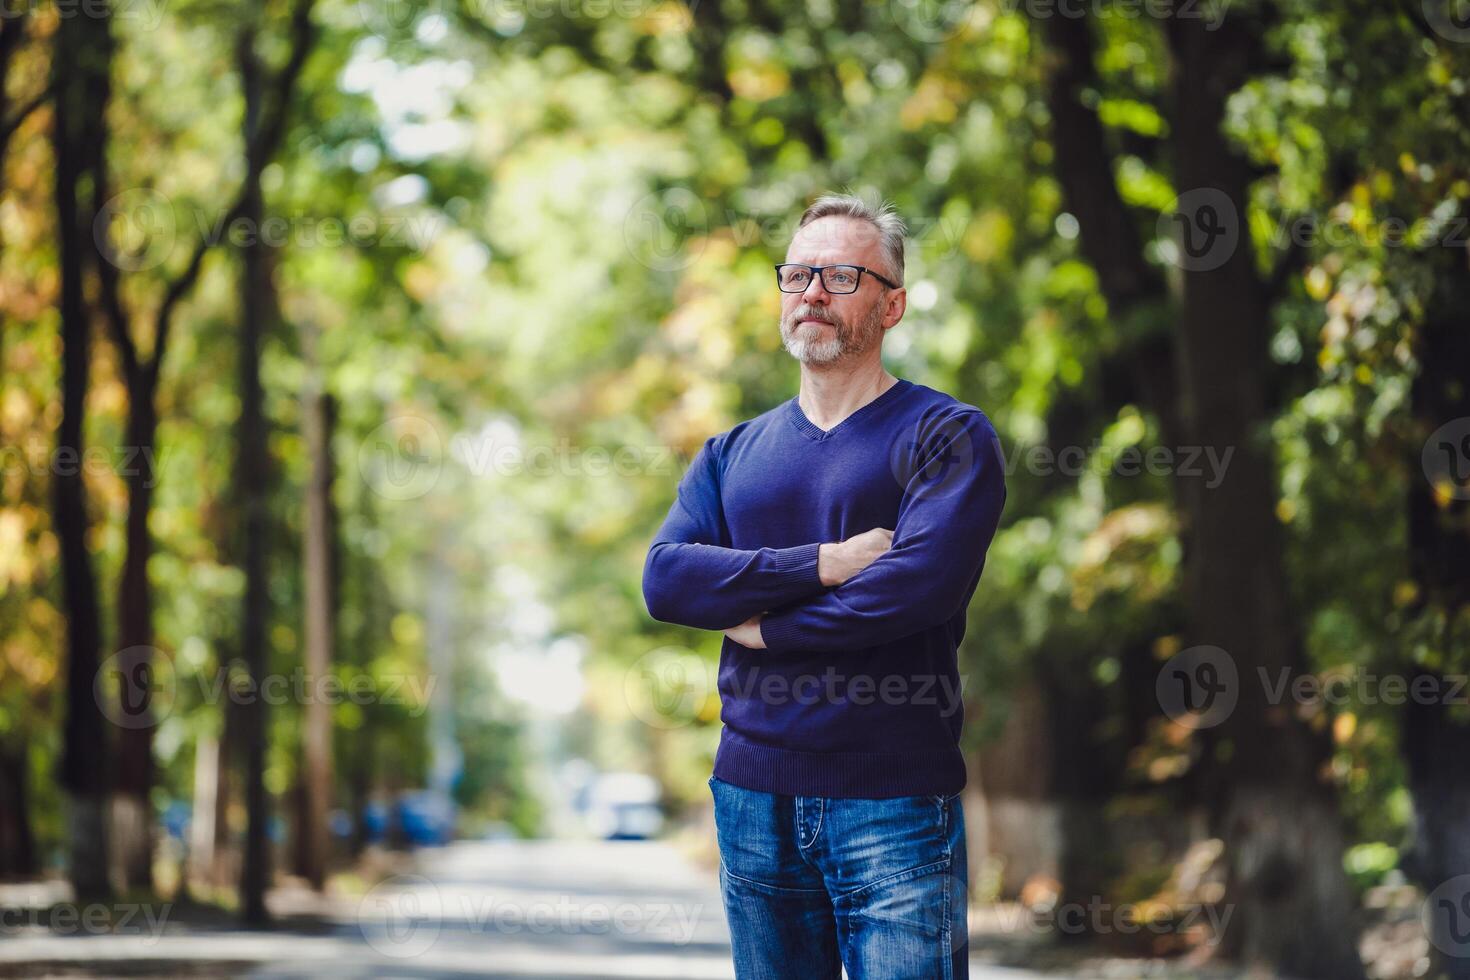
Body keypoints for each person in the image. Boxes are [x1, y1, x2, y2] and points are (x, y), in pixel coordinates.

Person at [642, 191, 1007, 979]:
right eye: (798, 274)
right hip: (751, 800)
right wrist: (820, 563)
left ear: (893, 305)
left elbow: (918, 589)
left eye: (841, 276)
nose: (811, 292)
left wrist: (768, 628)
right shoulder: (729, 453)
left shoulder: (945, 435)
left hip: (895, 803)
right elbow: (667, 579)